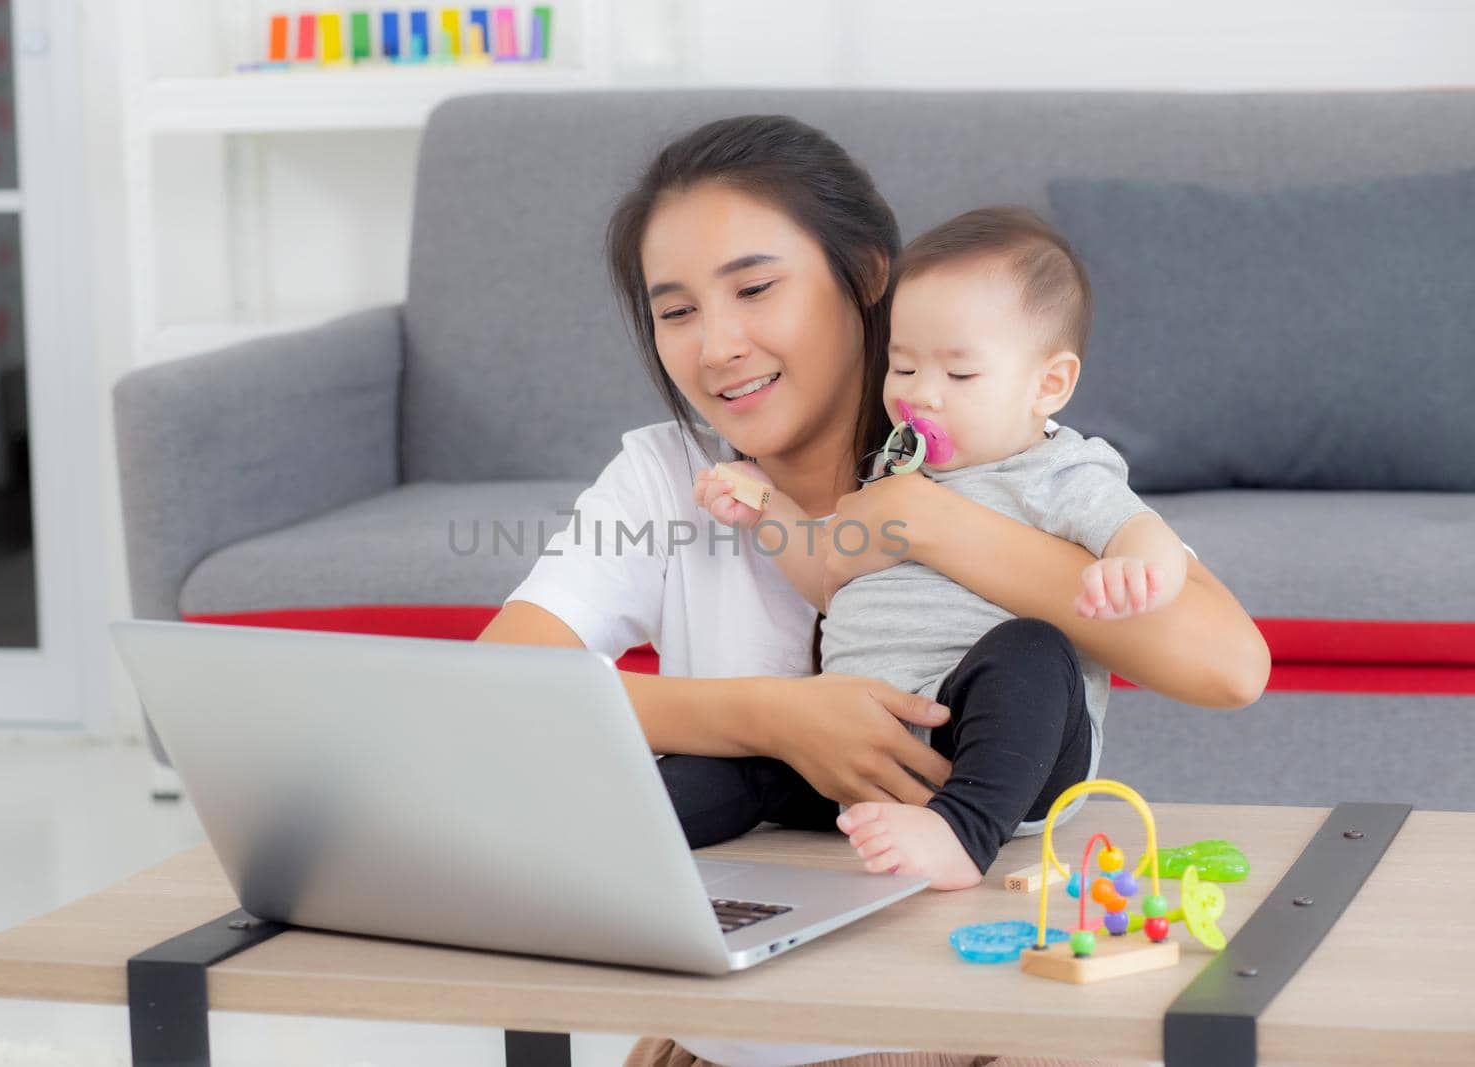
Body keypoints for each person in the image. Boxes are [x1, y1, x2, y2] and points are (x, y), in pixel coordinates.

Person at [478, 114, 1269, 1067]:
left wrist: (936, 524)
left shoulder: (1000, 451)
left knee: (1031, 655)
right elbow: (504, 685)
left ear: (866, 279)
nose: (718, 343)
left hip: (973, 1022)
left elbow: (1228, 665)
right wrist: (777, 718)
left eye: (756, 288)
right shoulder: (666, 473)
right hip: (745, 1033)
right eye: (677, 310)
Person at [687, 205, 1191, 893]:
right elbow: (830, 575)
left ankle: (964, 831)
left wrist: (1139, 567)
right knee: (745, 755)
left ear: (1049, 385)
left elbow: (1139, 529)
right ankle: (631, 825)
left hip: (1004, 753)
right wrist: (766, 505)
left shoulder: (1058, 472)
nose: (922, 395)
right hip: (863, 750)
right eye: (904, 367)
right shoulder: (895, 471)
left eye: (959, 376)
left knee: (1034, 650)